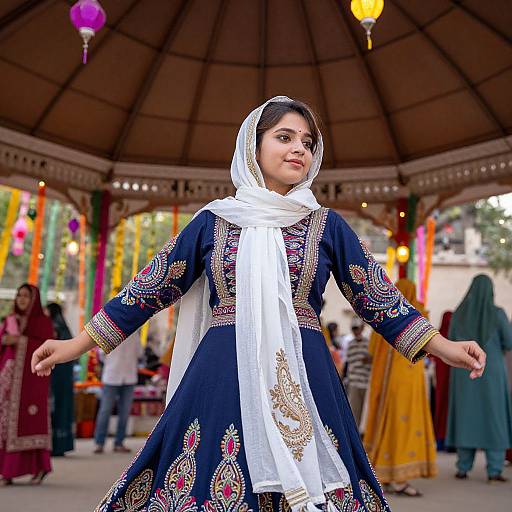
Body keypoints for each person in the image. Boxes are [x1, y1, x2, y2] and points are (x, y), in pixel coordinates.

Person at [32, 97, 486, 512]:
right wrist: (77, 345)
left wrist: (443, 346)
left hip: (304, 376)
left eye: (307, 142)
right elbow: (149, 288)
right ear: (253, 145)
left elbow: (379, 297)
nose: (299, 150)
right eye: (284, 137)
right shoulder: (214, 222)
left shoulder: (326, 226)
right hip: (223, 374)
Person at [364, 279, 438, 497]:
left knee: (389, 424)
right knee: (404, 426)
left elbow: (371, 350)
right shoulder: (419, 314)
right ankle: (400, 480)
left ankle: (386, 475)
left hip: (386, 386)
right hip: (408, 385)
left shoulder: (382, 315)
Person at [446, 274, 512, 482]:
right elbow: (509, 342)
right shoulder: (498, 314)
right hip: (491, 372)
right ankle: (494, 471)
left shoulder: (458, 315)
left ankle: (463, 467)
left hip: (464, 372)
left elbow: (450, 343)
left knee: (466, 415)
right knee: (494, 418)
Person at [0, 284, 53, 485]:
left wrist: (20, 341)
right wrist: (5, 338)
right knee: (5, 423)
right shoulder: (10, 320)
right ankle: (7, 470)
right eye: (18, 295)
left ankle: (38, 467)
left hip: (30, 383)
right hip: (7, 381)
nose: (21, 299)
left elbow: (47, 349)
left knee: (29, 421)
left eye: (26, 296)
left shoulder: (42, 323)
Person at [94, 331, 142, 454]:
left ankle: (119, 442)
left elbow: (139, 352)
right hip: (112, 375)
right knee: (105, 410)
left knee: (124, 412)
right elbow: (101, 353)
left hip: (128, 376)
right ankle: (99, 442)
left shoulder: (135, 333)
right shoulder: (110, 331)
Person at [47, 302, 75, 457]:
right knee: (63, 409)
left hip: (53, 377)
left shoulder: (54, 328)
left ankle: (53, 445)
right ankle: (62, 445)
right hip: (66, 378)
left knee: (53, 408)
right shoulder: (65, 328)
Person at [345, 317, 372, 430]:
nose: (356, 331)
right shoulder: (350, 344)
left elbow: (371, 360)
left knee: (365, 412)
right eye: (354, 329)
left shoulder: (369, 344)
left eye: (357, 328)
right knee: (354, 410)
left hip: (366, 381)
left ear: (362, 328)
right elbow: (350, 362)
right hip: (355, 382)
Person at [431, 311, 453, 450]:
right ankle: (450, 442)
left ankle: (440, 441)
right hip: (453, 383)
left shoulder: (437, 339)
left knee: (440, 408)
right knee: (450, 409)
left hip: (440, 382)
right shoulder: (454, 342)